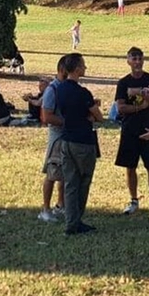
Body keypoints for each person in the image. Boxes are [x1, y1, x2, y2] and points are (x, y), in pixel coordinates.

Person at [52, 53, 103, 235]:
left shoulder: (60, 89)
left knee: (70, 183)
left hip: (66, 139)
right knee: (83, 181)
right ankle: (77, 220)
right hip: (83, 141)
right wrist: (91, 112)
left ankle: (70, 222)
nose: (85, 68)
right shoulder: (83, 93)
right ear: (76, 69)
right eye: (83, 65)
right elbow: (98, 117)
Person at [112, 48, 149, 216]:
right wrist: (140, 106)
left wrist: (141, 93)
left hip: (148, 128)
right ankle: (133, 200)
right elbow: (121, 107)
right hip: (130, 129)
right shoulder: (123, 82)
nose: (138, 62)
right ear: (128, 61)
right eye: (134, 58)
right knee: (130, 167)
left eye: (140, 58)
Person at [36, 60, 68, 223]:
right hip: (57, 137)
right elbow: (45, 116)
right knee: (52, 173)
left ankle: (61, 204)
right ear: (63, 70)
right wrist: (67, 122)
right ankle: (45, 209)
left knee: (64, 173)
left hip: (68, 136)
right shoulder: (52, 90)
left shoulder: (66, 88)